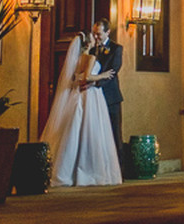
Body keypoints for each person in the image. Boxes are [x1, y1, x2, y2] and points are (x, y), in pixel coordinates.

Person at [40, 32, 123, 187]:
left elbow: (75, 77)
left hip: (78, 94)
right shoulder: (90, 58)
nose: (95, 39)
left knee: (74, 130)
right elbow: (87, 77)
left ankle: (66, 169)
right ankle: (89, 170)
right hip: (90, 96)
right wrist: (102, 75)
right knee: (91, 131)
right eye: (93, 38)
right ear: (88, 43)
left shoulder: (77, 59)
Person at [88, 19, 125, 161]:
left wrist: (96, 83)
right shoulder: (92, 50)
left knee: (115, 133)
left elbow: (113, 71)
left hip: (111, 97)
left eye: (98, 34)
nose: (96, 37)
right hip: (94, 97)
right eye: (94, 34)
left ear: (107, 32)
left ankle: (119, 167)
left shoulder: (116, 49)